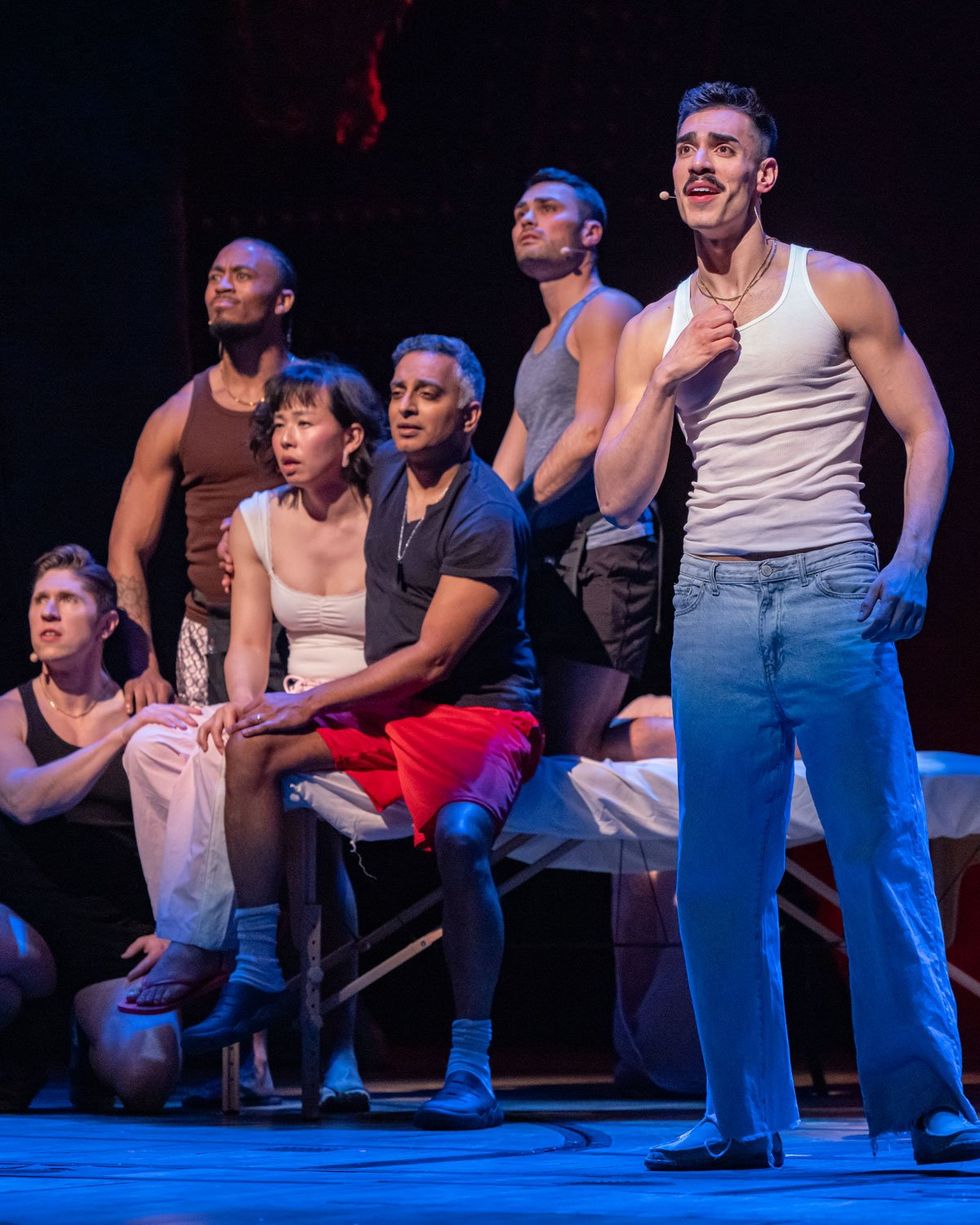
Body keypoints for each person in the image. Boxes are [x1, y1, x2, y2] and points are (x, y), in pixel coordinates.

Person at [595, 80, 980, 1170]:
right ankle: (740, 1115)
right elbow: (619, 495)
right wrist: (664, 380)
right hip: (713, 602)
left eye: (722, 146)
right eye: (685, 147)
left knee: (878, 846)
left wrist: (911, 556)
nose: (699, 162)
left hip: (832, 591)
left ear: (762, 173)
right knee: (718, 875)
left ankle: (928, 1102)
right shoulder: (652, 327)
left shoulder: (837, 286)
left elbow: (926, 430)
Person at [180, 334, 542, 1131]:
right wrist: (242, 530)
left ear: (469, 415)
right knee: (252, 743)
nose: (406, 407)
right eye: (400, 391)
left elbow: (434, 657)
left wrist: (310, 700)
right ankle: (255, 965)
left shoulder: (485, 514)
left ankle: (471, 1064)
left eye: (429, 394)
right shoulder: (383, 470)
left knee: (461, 835)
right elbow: (314, 468)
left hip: (479, 708)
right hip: (394, 709)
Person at [121, 358, 386, 1111]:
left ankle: (214, 950)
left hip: (368, 703)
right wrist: (243, 704)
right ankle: (203, 932)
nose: (285, 438)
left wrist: (268, 718)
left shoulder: (391, 510)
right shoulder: (257, 517)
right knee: (152, 745)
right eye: (278, 426)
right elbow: (247, 642)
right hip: (287, 703)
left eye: (305, 423)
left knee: (316, 862)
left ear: (351, 436)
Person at [0, 545, 200, 1112]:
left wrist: (177, 927)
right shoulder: (10, 712)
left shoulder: (153, 715)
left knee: (147, 1077)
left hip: (111, 937)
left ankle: (83, 1048)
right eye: (40, 600)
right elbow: (23, 800)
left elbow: (197, 833)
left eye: (67, 600)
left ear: (107, 625)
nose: (48, 612)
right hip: (24, 935)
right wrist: (119, 736)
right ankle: (24, 1035)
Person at [494, 168, 658, 758]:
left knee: (574, 743)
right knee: (550, 740)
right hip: (551, 552)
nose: (526, 219)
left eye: (545, 208)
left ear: (590, 233)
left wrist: (513, 515)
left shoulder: (605, 310)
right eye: (520, 212)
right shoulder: (539, 346)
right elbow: (505, 473)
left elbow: (591, 432)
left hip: (604, 548)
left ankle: (760, 739)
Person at [108, 236, 296, 711]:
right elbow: (128, 546)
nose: (222, 287)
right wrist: (143, 666)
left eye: (242, 276)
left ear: (282, 301)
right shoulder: (177, 414)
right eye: (215, 277)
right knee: (214, 757)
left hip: (308, 624)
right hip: (213, 630)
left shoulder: (323, 401)